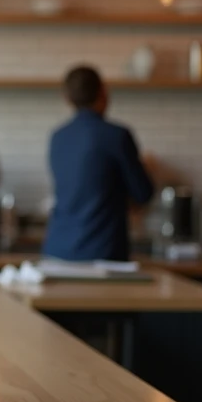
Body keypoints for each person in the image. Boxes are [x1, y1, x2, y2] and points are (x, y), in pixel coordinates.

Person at [43, 65, 154, 261]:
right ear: (103, 92)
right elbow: (143, 193)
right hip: (102, 253)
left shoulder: (57, 137)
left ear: (67, 98)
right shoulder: (117, 136)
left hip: (57, 252)